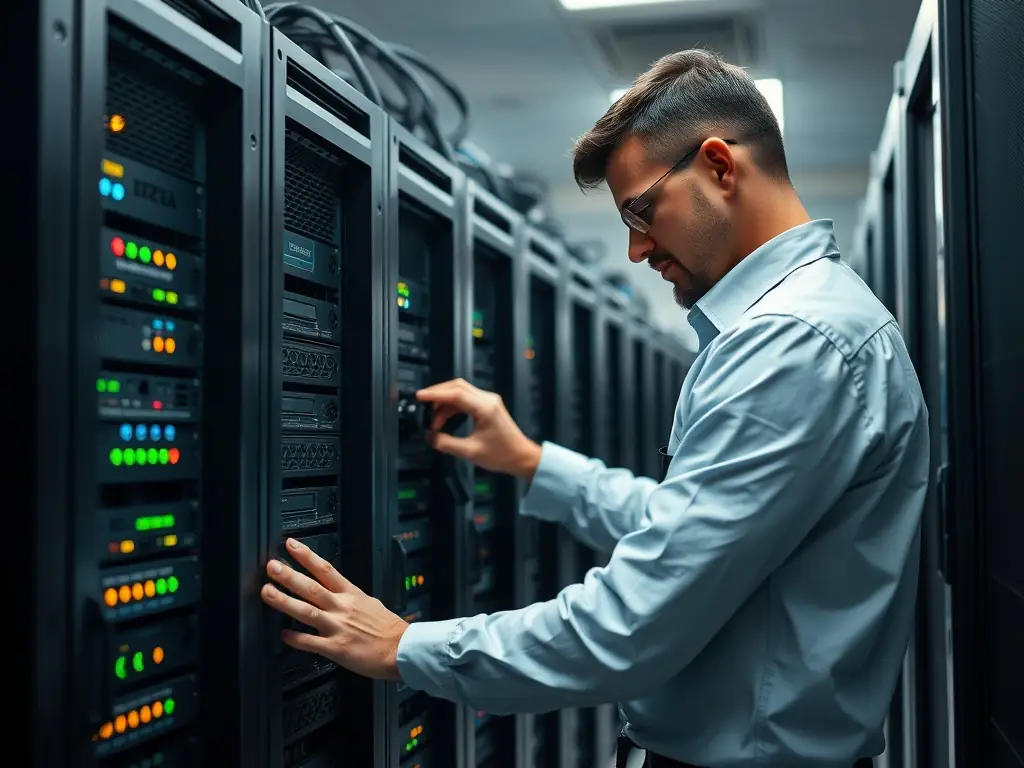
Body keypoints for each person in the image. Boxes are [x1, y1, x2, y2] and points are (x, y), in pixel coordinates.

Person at [260, 49, 929, 768]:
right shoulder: (806, 326)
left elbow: (634, 623)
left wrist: (404, 646)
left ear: (719, 166)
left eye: (641, 211)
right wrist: (529, 462)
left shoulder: (792, 343)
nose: (637, 248)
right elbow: (693, 531)